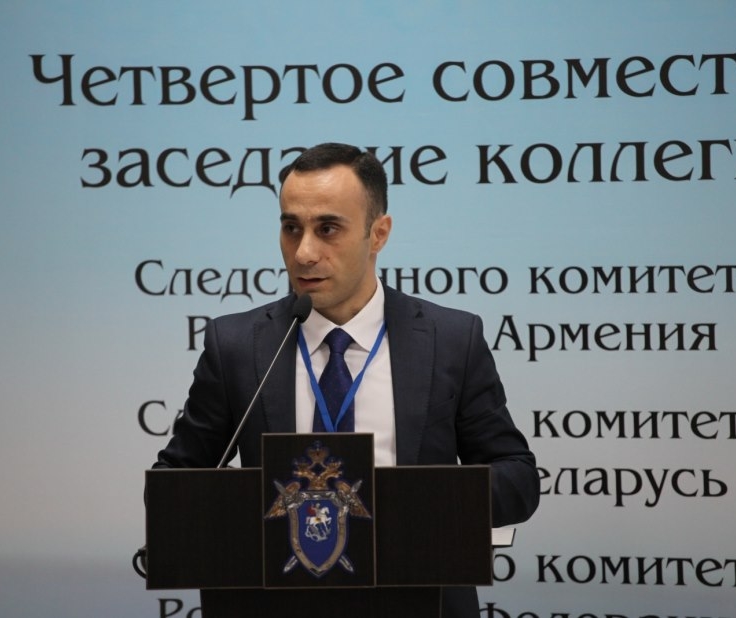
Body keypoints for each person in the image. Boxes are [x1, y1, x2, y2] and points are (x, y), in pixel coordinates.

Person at [154, 142, 539, 618]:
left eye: (328, 229)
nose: (304, 252)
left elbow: (517, 478)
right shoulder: (235, 345)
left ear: (378, 234)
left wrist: (413, 502)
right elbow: (172, 484)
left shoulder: (451, 340)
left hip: (420, 602)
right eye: (291, 228)